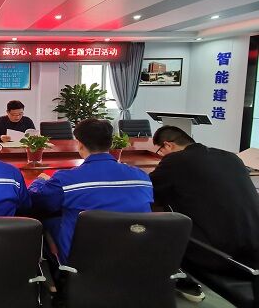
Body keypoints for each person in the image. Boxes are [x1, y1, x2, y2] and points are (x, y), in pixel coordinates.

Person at [151, 125, 259, 302]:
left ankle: (182, 281)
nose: (161, 155)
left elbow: (147, 191)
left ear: (168, 145)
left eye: (160, 151)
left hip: (221, 256)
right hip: (254, 249)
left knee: (160, 224)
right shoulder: (231, 157)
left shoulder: (175, 161)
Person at [28, 119, 153, 264]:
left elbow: (38, 201)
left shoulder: (66, 179)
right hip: (135, 255)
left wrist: (39, 181)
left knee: (45, 222)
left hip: (82, 260)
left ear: (80, 144)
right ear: (111, 143)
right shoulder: (142, 177)